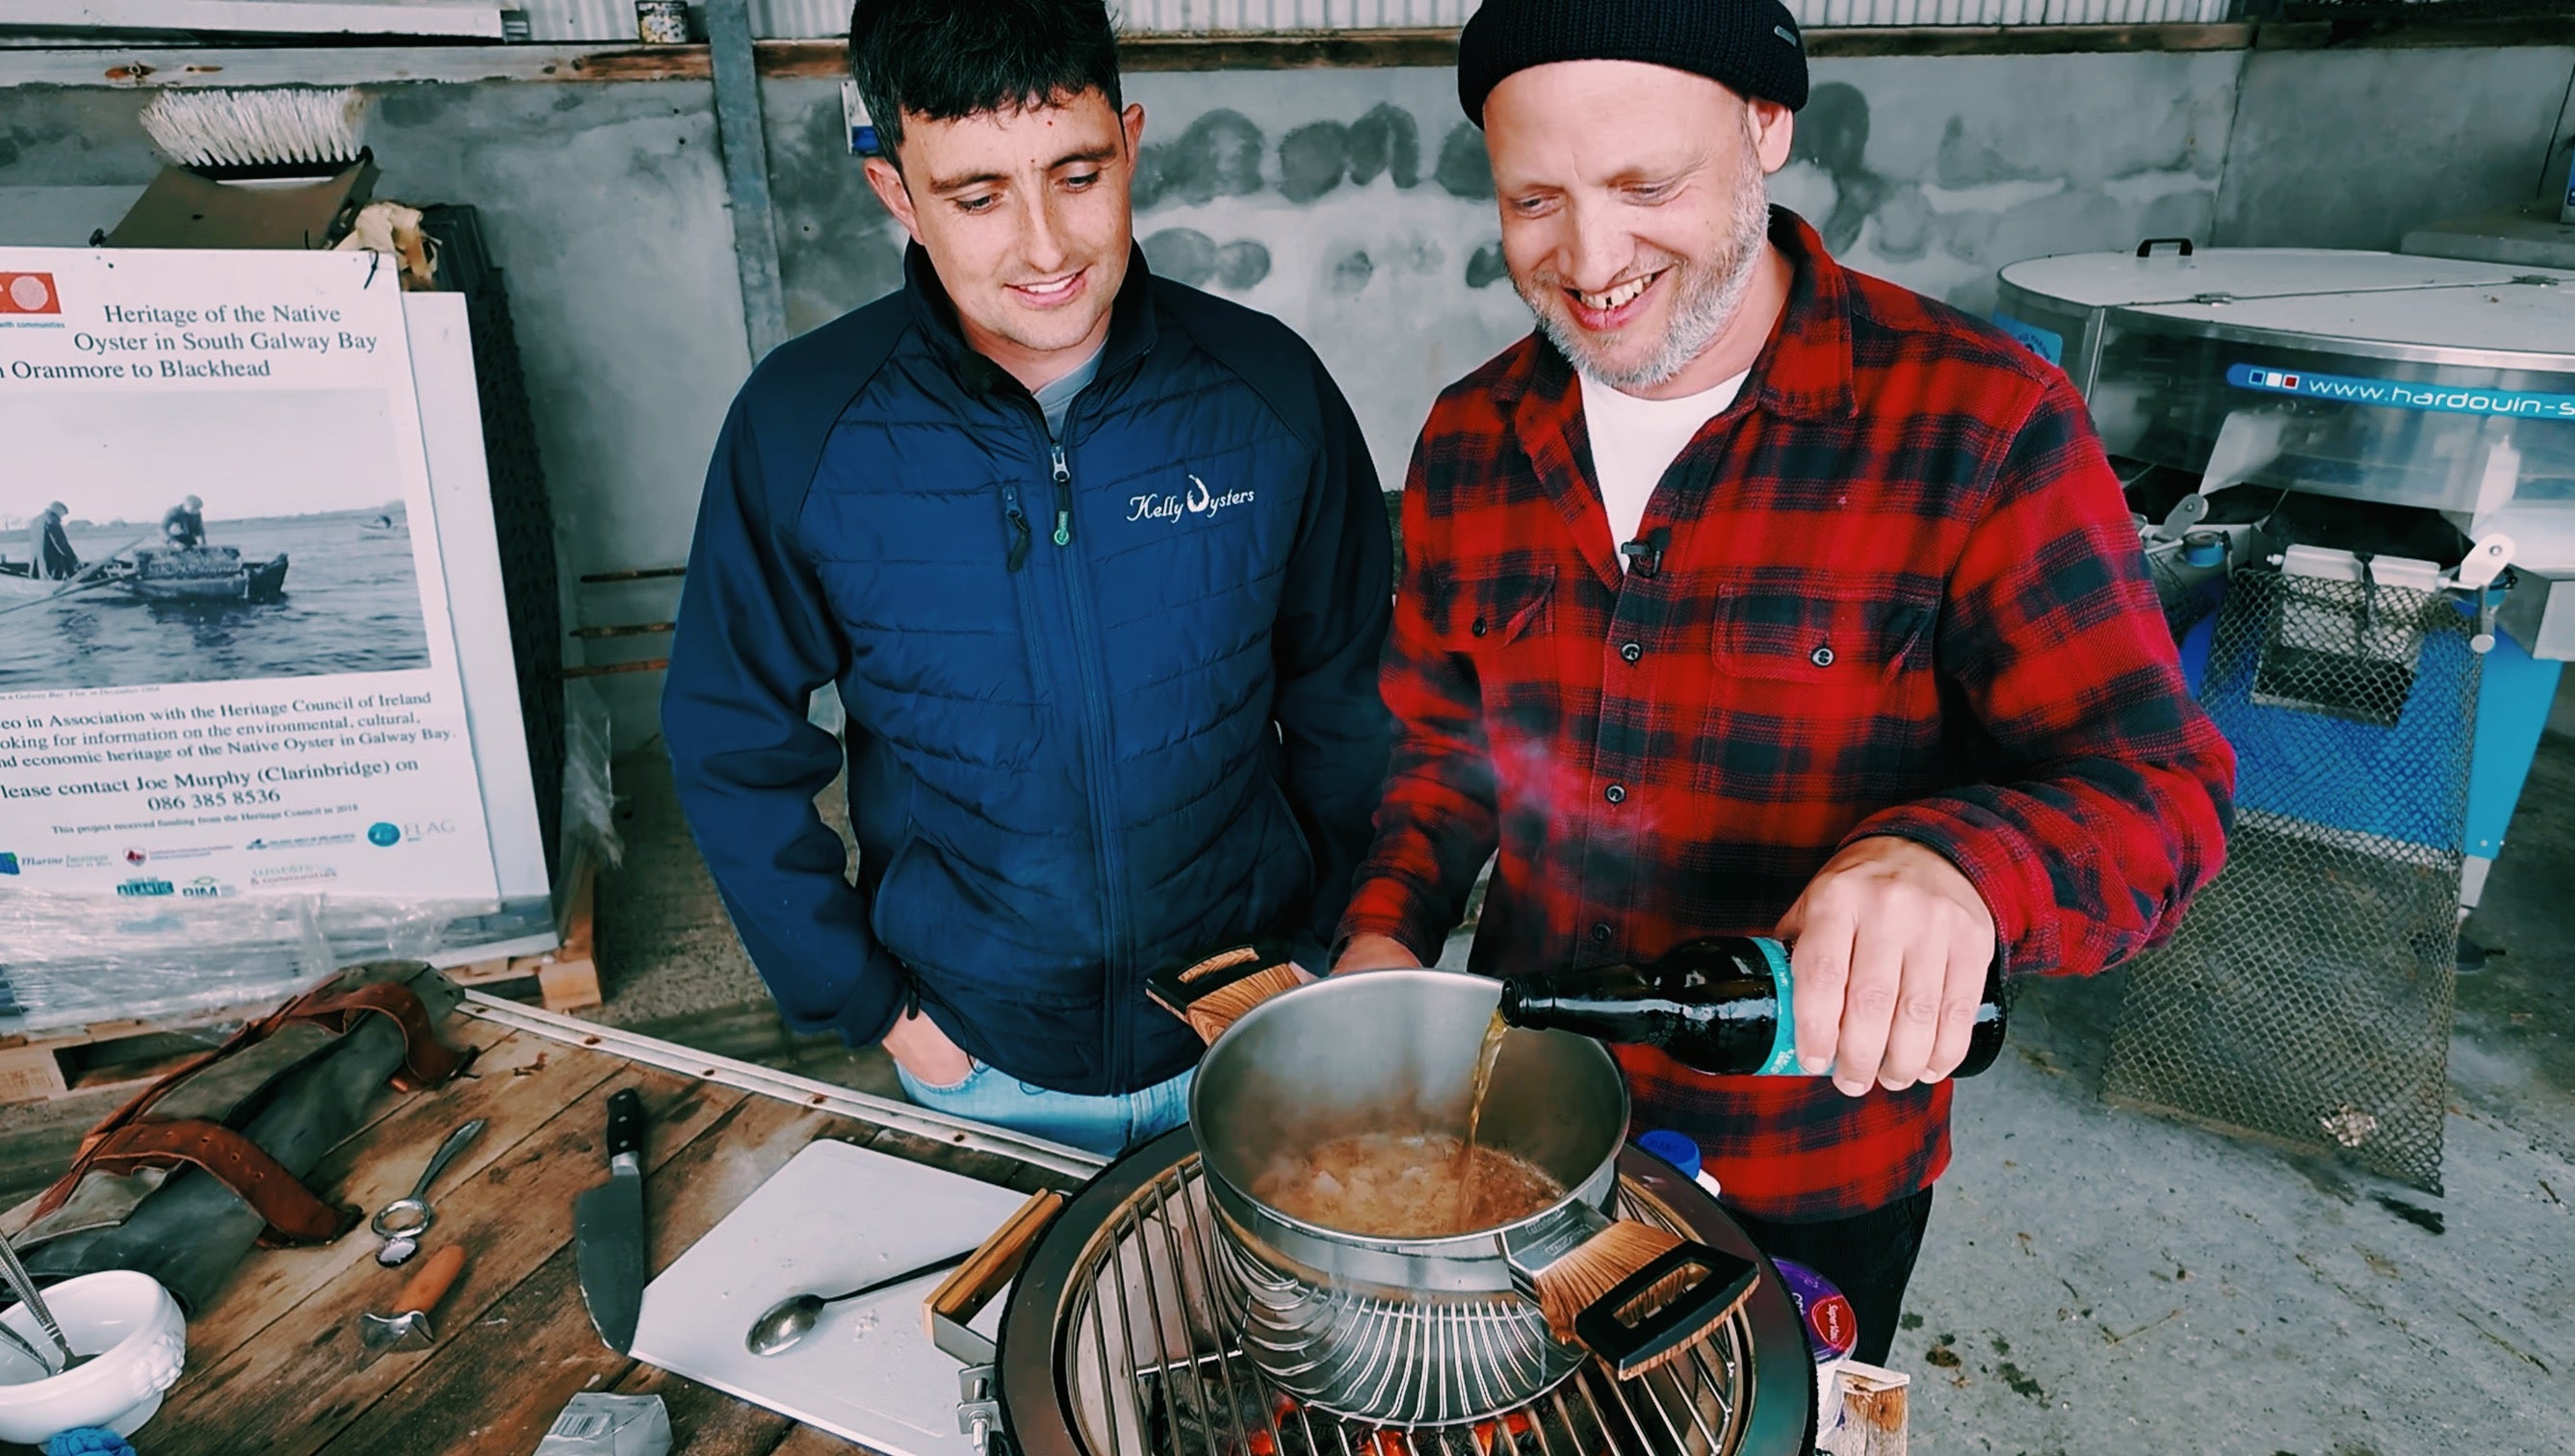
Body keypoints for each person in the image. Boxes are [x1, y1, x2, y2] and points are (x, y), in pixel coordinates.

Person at [1332, 0, 2235, 1364]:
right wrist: (1384, 939)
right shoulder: (1472, 436)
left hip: (1809, 1172)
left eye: (1646, 185)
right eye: (1533, 201)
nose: (1589, 261)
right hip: (1521, 1130)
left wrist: (1962, 864)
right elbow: (1443, 751)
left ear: (1766, 126)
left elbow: (2159, 795)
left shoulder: (1977, 422)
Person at [663, 0, 1392, 1157]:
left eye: (1077, 175)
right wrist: (877, 1010)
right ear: (895, 192)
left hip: (1250, 1030)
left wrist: (1327, 945)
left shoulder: (1268, 394)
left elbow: (1353, 695)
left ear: (1130, 144)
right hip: (980, 1057)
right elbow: (726, 738)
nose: (1046, 247)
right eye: (977, 197)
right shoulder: (803, 426)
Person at [30, 502, 79, 580]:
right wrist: (74, 560)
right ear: (58, 510)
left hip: (38, 561)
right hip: (52, 562)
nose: (61, 517)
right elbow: (61, 544)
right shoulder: (52, 521)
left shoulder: (37, 520)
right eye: (62, 514)